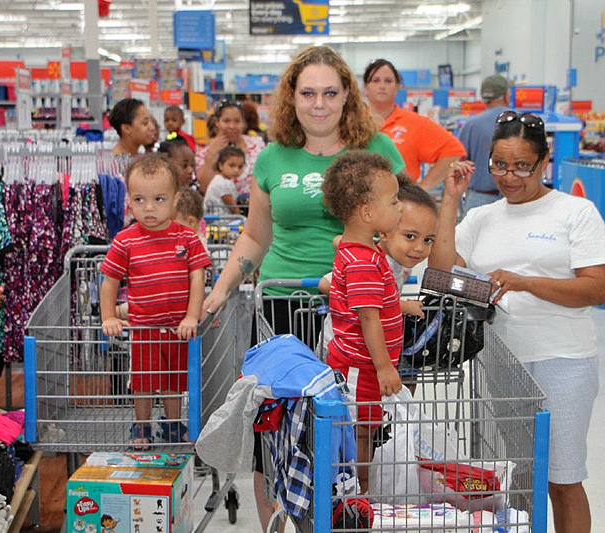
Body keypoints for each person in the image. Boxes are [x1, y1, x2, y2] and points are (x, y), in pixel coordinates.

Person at [201, 44, 405, 532]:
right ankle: (280, 523)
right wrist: (222, 286)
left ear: (346, 96)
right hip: (281, 308)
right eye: (308, 92)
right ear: (291, 98)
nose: (319, 104)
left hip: (357, 314)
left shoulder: (377, 151)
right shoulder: (272, 157)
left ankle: (350, 518)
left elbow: (401, 223)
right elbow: (255, 234)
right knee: (273, 428)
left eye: (330, 93)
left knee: (353, 429)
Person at [429, 110, 605, 533]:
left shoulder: (575, 212)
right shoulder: (482, 218)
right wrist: (450, 200)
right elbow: (442, 273)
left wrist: (525, 283)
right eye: (499, 165)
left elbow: (594, 290)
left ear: (544, 162)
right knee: (515, 477)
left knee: (562, 479)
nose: (509, 177)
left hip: (563, 359)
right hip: (502, 362)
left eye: (521, 167)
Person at [99, 154, 211, 449]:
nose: (149, 208)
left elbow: (196, 279)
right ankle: (142, 426)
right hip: (143, 328)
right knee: (144, 381)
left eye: (159, 199)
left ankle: (173, 425)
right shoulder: (125, 240)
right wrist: (109, 316)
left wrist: (191, 317)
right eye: (139, 200)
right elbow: (110, 281)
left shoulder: (187, 238)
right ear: (129, 200)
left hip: (178, 328)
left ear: (176, 199)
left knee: (174, 381)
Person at [321, 150, 403, 492]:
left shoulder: (357, 249)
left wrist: (403, 305)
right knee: (361, 430)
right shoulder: (362, 261)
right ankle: (359, 491)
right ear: (367, 213)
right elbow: (369, 319)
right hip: (362, 367)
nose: (400, 207)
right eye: (395, 201)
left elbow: (377, 301)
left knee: (363, 428)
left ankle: (358, 487)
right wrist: (385, 367)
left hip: (362, 363)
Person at [318, 181, 438, 359]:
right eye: (410, 237)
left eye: (428, 240)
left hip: (363, 350)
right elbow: (326, 284)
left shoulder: (398, 263)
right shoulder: (369, 261)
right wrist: (402, 306)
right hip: (342, 351)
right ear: (384, 232)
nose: (419, 248)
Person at [363, 59, 465, 190]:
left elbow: (454, 150)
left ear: (397, 87)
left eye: (388, 81)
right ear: (365, 87)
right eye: (376, 80)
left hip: (401, 202)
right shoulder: (351, 123)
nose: (382, 86)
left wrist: (423, 188)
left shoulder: (415, 123)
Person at [456, 74, 512, 218]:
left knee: (474, 240)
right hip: (515, 198)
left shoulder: (470, 125)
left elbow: (458, 165)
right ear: (506, 96)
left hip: (479, 199)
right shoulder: (520, 122)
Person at [195, 100, 266, 197]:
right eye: (226, 121)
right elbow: (203, 188)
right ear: (217, 122)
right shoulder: (204, 153)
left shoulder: (258, 145)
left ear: (243, 123)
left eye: (237, 121)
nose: (232, 126)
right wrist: (212, 154)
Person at [204, 145, 245, 216]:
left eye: (240, 167)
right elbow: (233, 208)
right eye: (232, 166)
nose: (236, 170)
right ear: (220, 165)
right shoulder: (221, 183)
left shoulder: (227, 181)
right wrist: (240, 215)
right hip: (217, 220)